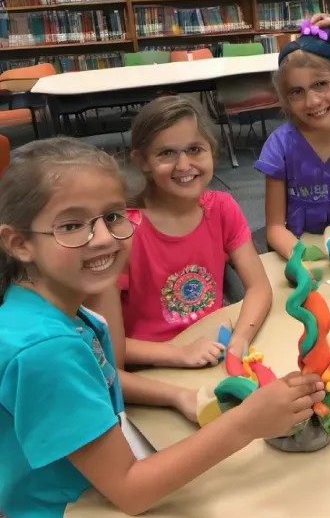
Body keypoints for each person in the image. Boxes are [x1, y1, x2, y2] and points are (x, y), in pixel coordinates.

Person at [0, 138, 324, 518]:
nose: (102, 238)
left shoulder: (57, 309)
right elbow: (131, 491)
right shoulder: (46, 350)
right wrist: (247, 423)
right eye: (71, 226)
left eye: (113, 217)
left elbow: (107, 376)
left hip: (99, 500)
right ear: (19, 244)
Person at [93, 95, 272, 369]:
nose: (184, 165)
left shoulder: (222, 208)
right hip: (152, 368)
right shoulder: (122, 233)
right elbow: (107, 344)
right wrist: (180, 354)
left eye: (195, 149)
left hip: (213, 351)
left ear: (211, 151)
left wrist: (240, 339)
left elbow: (259, 287)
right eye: (166, 153)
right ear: (142, 161)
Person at [257, 13, 330, 259]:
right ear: (286, 98)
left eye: (321, 84)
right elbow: (275, 228)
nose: (312, 101)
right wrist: (304, 259)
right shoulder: (279, 147)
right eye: (297, 92)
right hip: (295, 247)